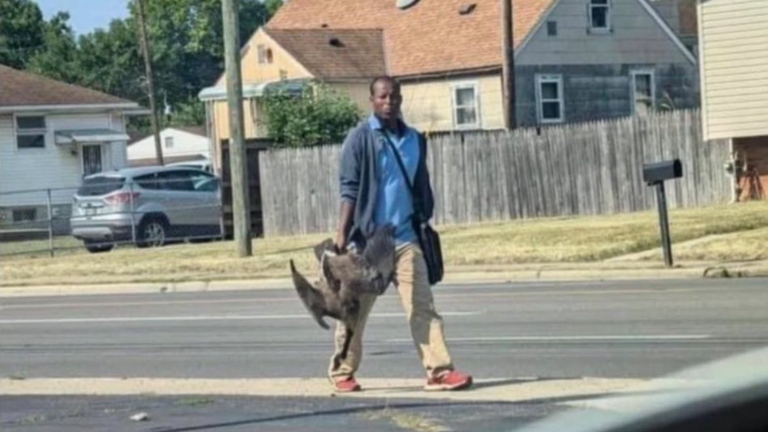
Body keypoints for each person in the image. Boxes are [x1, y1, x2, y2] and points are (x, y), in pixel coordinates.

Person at [329, 75, 473, 393]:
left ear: (401, 99)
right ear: (372, 100)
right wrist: (342, 232)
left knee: (422, 306)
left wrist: (424, 218)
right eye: (382, 97)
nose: (389, 102)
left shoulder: (414, 140)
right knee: (354, 312)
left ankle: (439, 371)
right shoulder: (360, 138)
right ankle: (342, 372)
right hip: (369, 243)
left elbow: (420, 184)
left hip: (406, 238)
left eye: (394, 96)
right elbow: (349, 188)